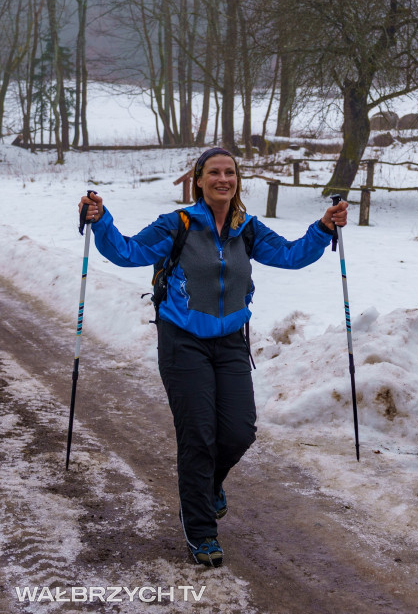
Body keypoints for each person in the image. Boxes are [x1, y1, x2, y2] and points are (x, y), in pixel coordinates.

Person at [78, 147, 348, 568]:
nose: (223, 179)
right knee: (198, 437)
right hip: (182, 340)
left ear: (237, 180)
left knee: (239, 431)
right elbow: (127, 252)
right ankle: (202, 530)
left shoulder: (247, 228)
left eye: (230, 172)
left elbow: (291, 256)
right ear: (199, 180)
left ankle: (208, 487)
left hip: (230, 342)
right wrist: (101, 220)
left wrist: (323, 228)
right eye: (214, 173)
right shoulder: (177, 225)